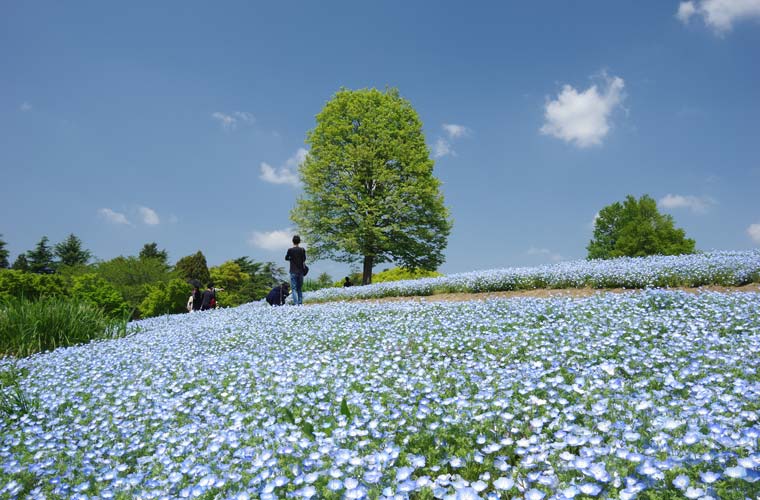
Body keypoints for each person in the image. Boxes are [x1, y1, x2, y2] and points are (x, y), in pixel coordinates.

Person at [285, 234, 307, 305]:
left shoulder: (290, 250)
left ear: (292, 241)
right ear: (299, 242)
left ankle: (296, 303)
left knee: (294, 289)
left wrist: (291, 259)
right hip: (300, 272)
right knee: (299, 288)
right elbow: (304, 260)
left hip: (293, 271)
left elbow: (286, 258)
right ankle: (300, 303)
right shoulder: (302, 250)